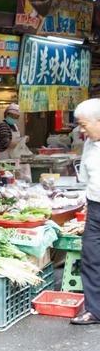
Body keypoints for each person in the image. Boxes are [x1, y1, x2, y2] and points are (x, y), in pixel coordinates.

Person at [72, 99, 100, 325]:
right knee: (91, 257)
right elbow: (85, 178)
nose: (82, 130)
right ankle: (95, 310)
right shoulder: (90, 144)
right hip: (95, 206)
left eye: (84, 124)